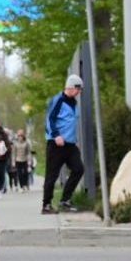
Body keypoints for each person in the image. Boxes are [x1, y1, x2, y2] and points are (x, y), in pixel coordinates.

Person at [41, 74, 85, 214]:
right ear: (71, 88)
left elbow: (70, 123)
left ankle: (65, 200)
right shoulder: (58, 100)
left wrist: (75, 141)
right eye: (79, 89)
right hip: (56, 144)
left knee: (78, 169)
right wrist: (56, 135)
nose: (80, 92)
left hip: (70, 145)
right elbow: (50, 120)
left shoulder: (74, 103)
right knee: (52, 175)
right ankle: (46, 205)